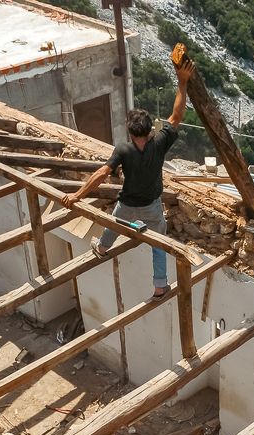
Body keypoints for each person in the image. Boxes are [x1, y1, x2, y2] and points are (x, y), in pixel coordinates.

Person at [61, 61, 195, 301]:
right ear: (149, 131)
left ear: (131, 133)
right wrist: (182, 81)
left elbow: (101, 174)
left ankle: (102, 249)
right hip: (152, 206)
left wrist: (77, 196)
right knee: (159, 243)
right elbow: (176, 116)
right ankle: (159, 287)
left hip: (128, 205)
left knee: (113, 224)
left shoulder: (123, 149)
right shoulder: (159, 142)